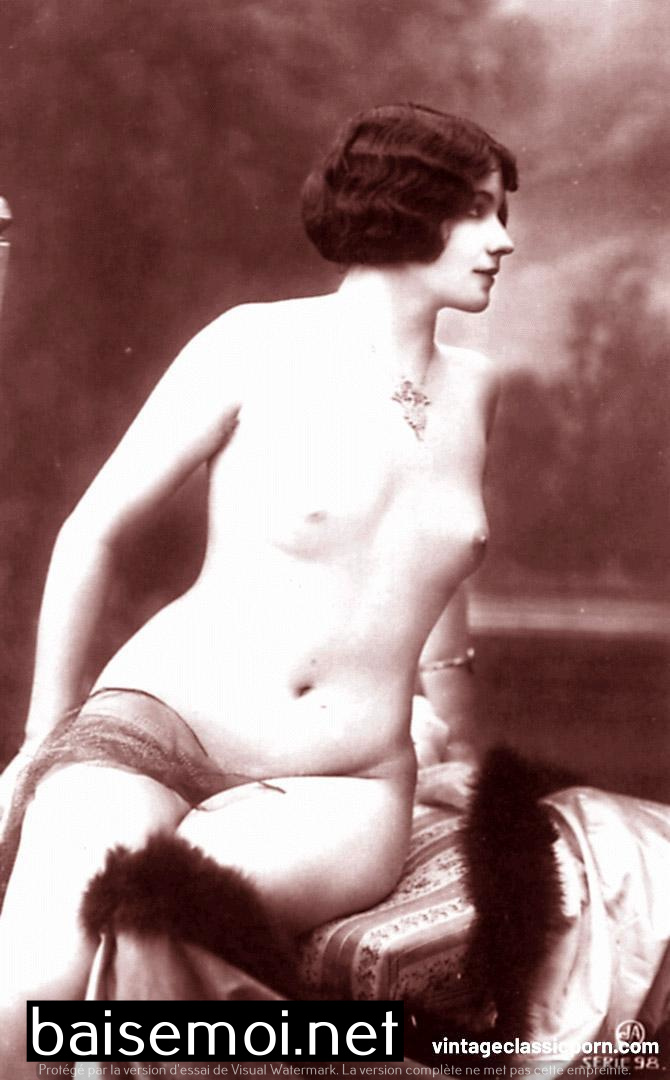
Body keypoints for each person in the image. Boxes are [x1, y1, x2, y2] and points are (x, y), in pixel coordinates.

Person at [0, 103, 516, 1069]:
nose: (504, 241)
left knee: (151, 930)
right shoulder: (252, 344)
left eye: (502, 213)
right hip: (155, 727)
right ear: (405, 208)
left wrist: (454, 729)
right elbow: (91, 532)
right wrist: (39, 744)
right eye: (480, 211)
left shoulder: (476, 387)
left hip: (346, 785)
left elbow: (436, 565)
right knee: (25, 995)